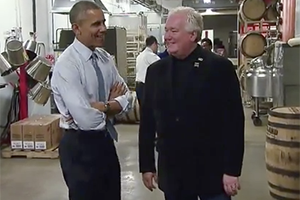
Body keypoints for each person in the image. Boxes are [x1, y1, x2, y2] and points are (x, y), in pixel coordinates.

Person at [138, 6, 245, 200]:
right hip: (173, 174)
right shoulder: (156, 71)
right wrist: (146, 165)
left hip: (211, 172)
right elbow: (147, 122)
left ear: (193, 35)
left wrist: (232, 169)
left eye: (174, 31)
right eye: (166, 30)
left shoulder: (219, 68)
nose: (167, 36)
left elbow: (234, 123)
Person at [50, 1, 131, 200]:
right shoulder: (67, 65)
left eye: (103, 22)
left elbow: (127, 96)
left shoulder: (104, 58)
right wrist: (111, 106)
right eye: (96, 24)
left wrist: (102, 107)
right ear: (76, 28)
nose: (103, 29)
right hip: (79, 147)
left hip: (105, 141)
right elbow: (86, 120)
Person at [135, 35, 160, 105]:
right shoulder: (151, 56)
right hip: (146, 86)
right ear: (154, 44)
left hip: (138, 86)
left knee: (143, 109)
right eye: (157, 46)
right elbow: (162, 68)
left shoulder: (140, 56)